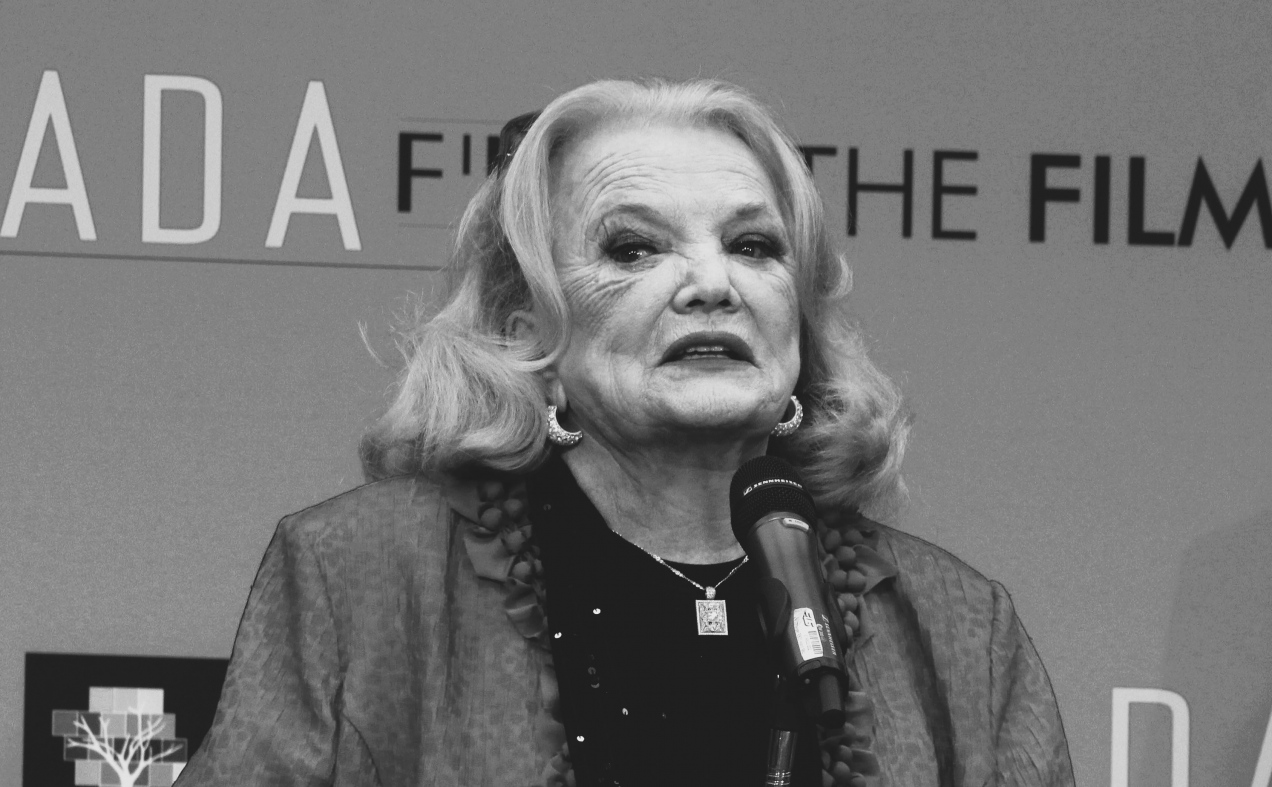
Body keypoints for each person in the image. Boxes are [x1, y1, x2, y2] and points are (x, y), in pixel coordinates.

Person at [176, 78, 1074, 787]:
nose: (713, 283)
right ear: (528, 330)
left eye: (754, 246)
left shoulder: (960, 630)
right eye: (634, 248)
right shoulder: (360, 576)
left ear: (798, 321)